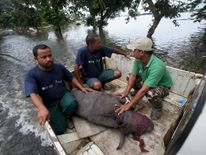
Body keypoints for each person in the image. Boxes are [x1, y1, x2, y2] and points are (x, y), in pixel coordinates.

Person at [24, 44, 92, 134]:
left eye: (50, 55)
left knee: (72, 104)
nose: (48, 59)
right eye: (43, 57)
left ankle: (66, 116)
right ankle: (61, 117)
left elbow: (71, 77)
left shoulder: (59, 67)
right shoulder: (31, 75)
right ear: (36, 59)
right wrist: (41, 108)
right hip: (50, 103)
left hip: (63, 95)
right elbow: (33, 93)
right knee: (59, 129)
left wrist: (81, 87)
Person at [115, 37, 173, 120]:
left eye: (134, 50)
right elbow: (133, 76)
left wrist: (128, 105)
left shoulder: (157, 66)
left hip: (162, 86)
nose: (132, 51)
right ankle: (136, 93)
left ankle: (158, 107)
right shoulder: (138, 59)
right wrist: (126, 92)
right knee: (129, 76)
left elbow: (144, 90)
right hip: (147, 81)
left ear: (141, 52)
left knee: (150, 93)